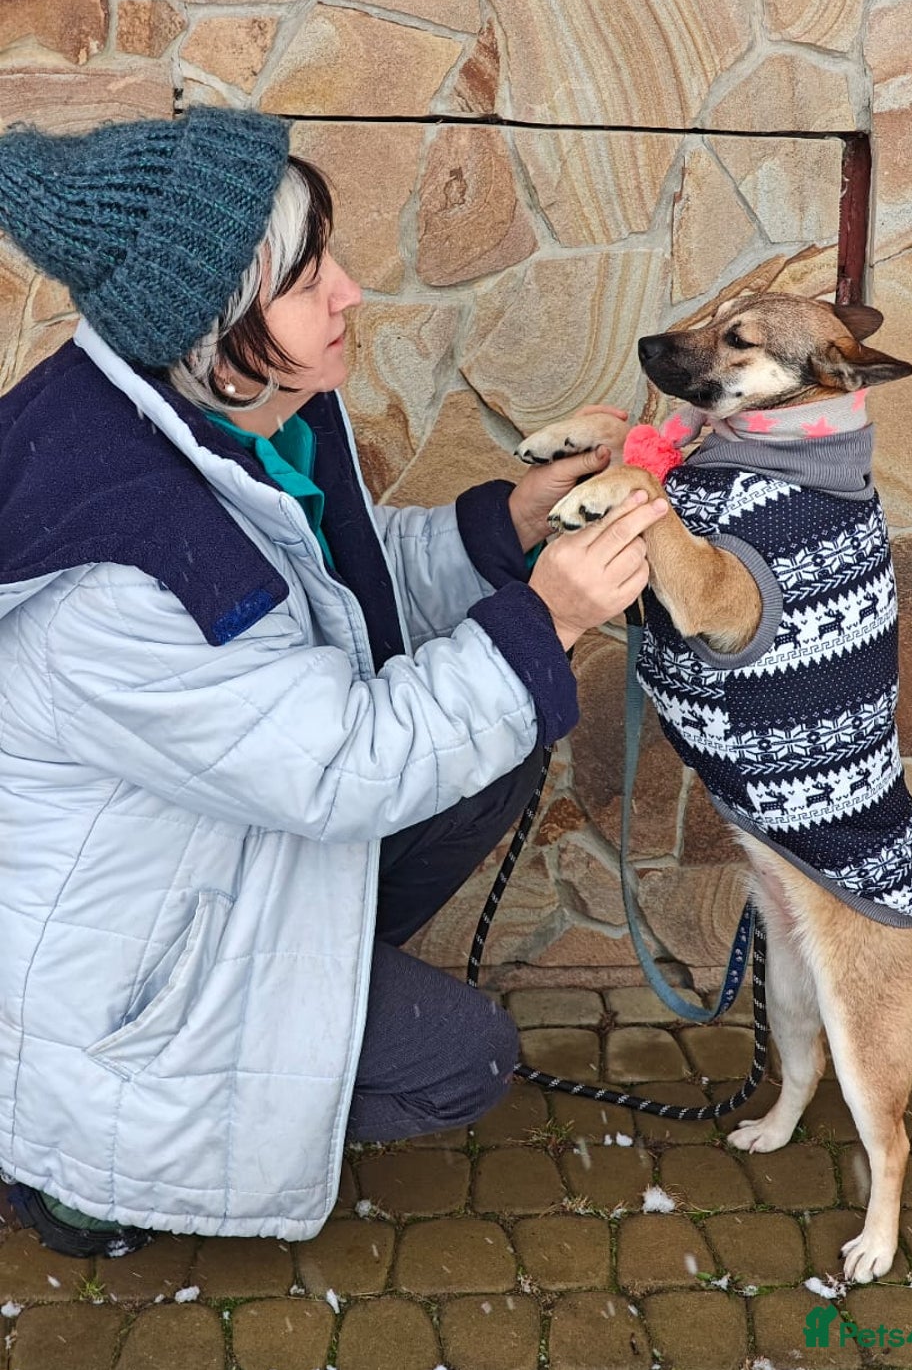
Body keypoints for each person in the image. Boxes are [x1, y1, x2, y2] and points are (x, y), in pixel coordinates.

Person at [0, 106, 668, 1256]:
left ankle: (317, 989)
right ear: (214, 323)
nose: (352, 292)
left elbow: (337, 597)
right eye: (311, 281)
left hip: (208, 855)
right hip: (121, 1001)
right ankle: (93, 1175)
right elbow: (345, 764)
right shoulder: (122, 578)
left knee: (493, 763)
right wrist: (551, 614)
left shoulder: (228, 412)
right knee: (468, 1061)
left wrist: (511, 527)